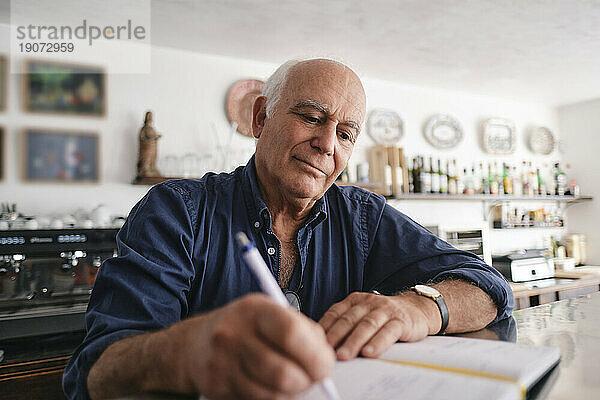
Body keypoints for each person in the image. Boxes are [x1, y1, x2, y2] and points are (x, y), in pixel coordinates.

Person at [63, 58, 513, 400]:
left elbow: (488, 285)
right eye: (312, 117)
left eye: (346, 133)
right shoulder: (177, 211)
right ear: (260, 119)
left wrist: (416, 310)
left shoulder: (364, 216)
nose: (327, 143)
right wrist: (188, 352)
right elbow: (94, 372)